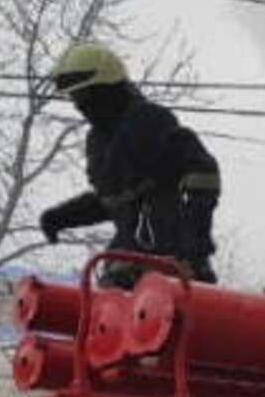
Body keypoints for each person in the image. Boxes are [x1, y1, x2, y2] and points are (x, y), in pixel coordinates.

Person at [38, 40, 222, 284]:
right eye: (74, 96)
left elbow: (202, 172)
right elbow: (114, 201)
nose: (79, 104)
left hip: (174, 259)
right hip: (127, 261)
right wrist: (62, 217)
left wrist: (192, 244)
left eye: (83, 94)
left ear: (106, 89)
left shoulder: (149, 121)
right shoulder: (100, 143)